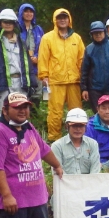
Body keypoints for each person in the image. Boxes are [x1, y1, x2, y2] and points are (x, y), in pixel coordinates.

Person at [38, 9, 84, 141]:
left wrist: (83, 77)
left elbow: (82, 59)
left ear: (69, 19)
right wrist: (44, 76)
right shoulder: (47, 38)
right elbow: (43, 58)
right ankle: (54, 138)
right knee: (55, 112)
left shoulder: (77, 38)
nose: (62, 20)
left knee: (76, 111)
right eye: (59, 18)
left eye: (65, 17)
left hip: (74, 81)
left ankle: (78, 137)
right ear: (55, 20)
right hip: (55, 81)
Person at [0, 9, 35, 113]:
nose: (8, 24)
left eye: (10, 22)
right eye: (5, 22)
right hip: (3, 85)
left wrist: (32, 83)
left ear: (15, 24)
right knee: (4, 114)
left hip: (21, 84)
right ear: (0, 24)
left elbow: (28, 65)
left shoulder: (21, 43)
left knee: (21, 114)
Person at [51, 108, 101, 174]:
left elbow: (95, 169)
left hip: (88, 182)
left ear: (85, 127)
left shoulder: (93, 144)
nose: (78, 129)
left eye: (81, 126)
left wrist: (89, 183)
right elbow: (57, 171)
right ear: (67, 126)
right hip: (66, 183)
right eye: (74, 125)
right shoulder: (57, 146)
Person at [80, 21, 109, 108]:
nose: (98, 35)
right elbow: (84, 70)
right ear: (91, 35)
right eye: (95, 33)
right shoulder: (89, 49)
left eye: (100, 32)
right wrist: (84, 89)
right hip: (94, 89)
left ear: (104, 32)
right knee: (97, 112)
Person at [17, 4, 43, 104]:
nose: (29, 14)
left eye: (31, 11)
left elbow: (44, 46)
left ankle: (35, 116)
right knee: (23, 92)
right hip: (21, 66)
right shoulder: (17, 29)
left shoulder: (38, 29)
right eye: (26, 11)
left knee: (37, 93)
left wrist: (37, 57)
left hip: (36, 66)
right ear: (21, 13)